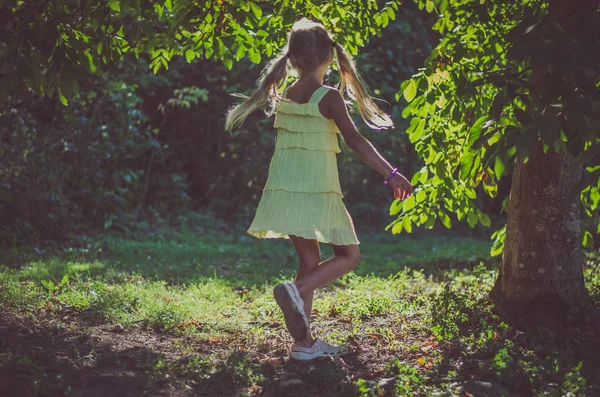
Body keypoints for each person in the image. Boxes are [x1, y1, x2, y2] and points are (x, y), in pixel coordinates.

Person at [225, 18, 413, 361]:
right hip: (318, 191)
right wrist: (391, 173)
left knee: (310, 260)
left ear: (292, 60)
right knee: (349, 256)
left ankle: (304, 345)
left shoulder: (282, 97)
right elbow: (355, 140)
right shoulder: (328, 97)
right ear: (330, 57)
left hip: (285, 190)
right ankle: (295, 293)